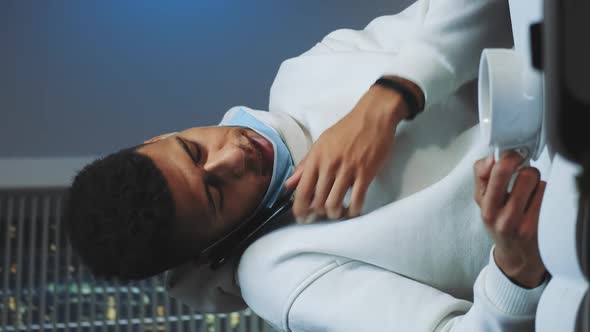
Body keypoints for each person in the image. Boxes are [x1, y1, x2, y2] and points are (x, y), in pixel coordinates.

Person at [64, 0, 547, 329]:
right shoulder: (278, 276)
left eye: (194, 150)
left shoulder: (303, 75)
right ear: (206, 249)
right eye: (215, 196)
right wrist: (514, 267)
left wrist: (393, 93)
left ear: (162, 136)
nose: (234, 155)